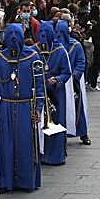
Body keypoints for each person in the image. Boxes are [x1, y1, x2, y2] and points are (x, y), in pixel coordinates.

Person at [0, 24, 44, 192]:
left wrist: (38, 108)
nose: (13, 37)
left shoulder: (33, 57)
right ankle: (6, 181)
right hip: (5, 107)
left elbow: (40, 84)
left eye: (17, 33)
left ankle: (26, 181)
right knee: (5, 145)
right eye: (10, 34)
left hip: (26, 107)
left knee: (25, 144)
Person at [34, 21, 72, 165]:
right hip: (39, 92)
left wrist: (57, 79)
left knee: (56, 122)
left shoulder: (60, 50)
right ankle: (41, 153)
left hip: (56, 94)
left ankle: (56, 155)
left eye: (45, 35)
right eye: (40, 35)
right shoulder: (35, 50)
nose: (43, 38)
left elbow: (66, 72)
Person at [55, 20, 91, 145]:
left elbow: (81, 62)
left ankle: (83, 133)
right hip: (59, 81)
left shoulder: (76, 45)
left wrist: (75, 75)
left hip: (73, 82)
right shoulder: (54, 46)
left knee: (78, 108)